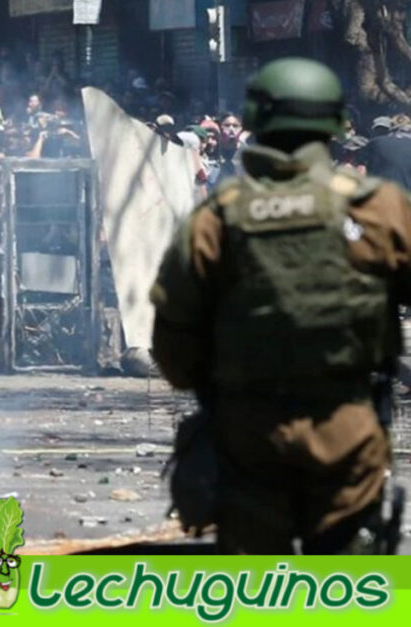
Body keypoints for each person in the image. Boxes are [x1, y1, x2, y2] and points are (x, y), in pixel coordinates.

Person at [151, 58, 403, 554]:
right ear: (334, 125)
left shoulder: (216, 219)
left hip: (248, 442)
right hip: (347, 438)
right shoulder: (376, 208)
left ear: (254, 123)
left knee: (259, 591)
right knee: (350, 589)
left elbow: (174, 352)